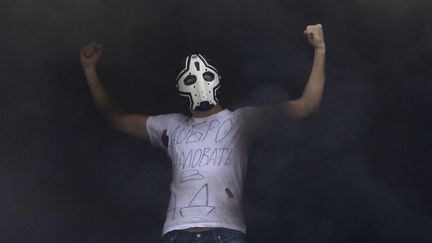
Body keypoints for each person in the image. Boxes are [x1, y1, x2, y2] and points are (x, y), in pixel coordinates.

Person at [80, 24, 326, 243]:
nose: (199, 82)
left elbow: (306, 106)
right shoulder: (172, 126)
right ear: (180, 87)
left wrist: (320, 50)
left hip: (225, 232)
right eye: (190, 78)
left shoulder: (241, 121)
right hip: (177, 233)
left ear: (217, 78)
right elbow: (117, 119)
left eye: (206, 75)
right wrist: (90, 71)